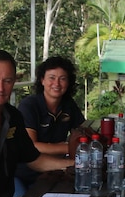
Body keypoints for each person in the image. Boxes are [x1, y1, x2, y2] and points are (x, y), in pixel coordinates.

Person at [0, 49, 73, 197]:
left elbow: (34, 159)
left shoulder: (13, 116)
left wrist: (75, 165)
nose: (0, 88)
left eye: (7, 81)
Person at [15, 56, 88, 188]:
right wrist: (68, 147)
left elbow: (82, 133)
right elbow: (31, 146)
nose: (57, 83)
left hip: (54, 171)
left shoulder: (68, 105)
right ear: (42, 80)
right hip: (25, 174)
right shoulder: (29, 105)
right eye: (52, 78)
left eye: (63, 78)